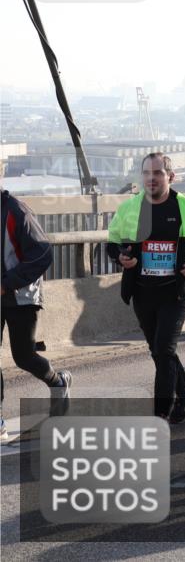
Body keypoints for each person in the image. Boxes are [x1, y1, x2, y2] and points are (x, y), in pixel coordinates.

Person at [107, 152, 185, 422]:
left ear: (170, 177)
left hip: (175, 292)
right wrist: (120, 257)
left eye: (157, 173)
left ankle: (160, 414)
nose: (151, 178)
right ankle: (183, 392)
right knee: (159, 351)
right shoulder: (130, 208)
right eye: (146, 173)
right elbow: (111, 243)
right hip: (143, 292)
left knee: (164, 349)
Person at [1, 187, 71, 439]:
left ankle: (57, 381)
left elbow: (42, 253)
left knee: (23, 356)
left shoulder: (16, 211)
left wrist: (7, 283)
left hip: (20, 296)